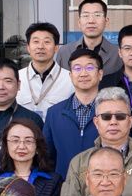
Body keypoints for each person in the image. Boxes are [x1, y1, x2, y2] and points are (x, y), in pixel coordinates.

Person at [60, 88, 132, 196]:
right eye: (106, 117)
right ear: (96, 122)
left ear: (130, 122)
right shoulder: (78, 163)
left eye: (120, 116)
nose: (113, 122)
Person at [43, 47, 105, 178]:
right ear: (71, 76)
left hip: (103, 185)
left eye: (89, 68)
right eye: (77, 68)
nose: (83, 74)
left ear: (100, 74)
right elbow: (47, 158)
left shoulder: (112, 113)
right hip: (64, 185)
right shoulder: (54, 113)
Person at [57, 0, 124, 76]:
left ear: (106, 21)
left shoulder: (117, 54)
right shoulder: (64, 52)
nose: (91, 21)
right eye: (86, 15)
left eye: (97, 15)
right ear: (79, 22)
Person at [19, 22, 74, 116]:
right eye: (36, 42)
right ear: (28, 47)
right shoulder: (17, 77)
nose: (41, 47)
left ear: (56, 48)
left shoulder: (71, 79)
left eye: (47, 42)